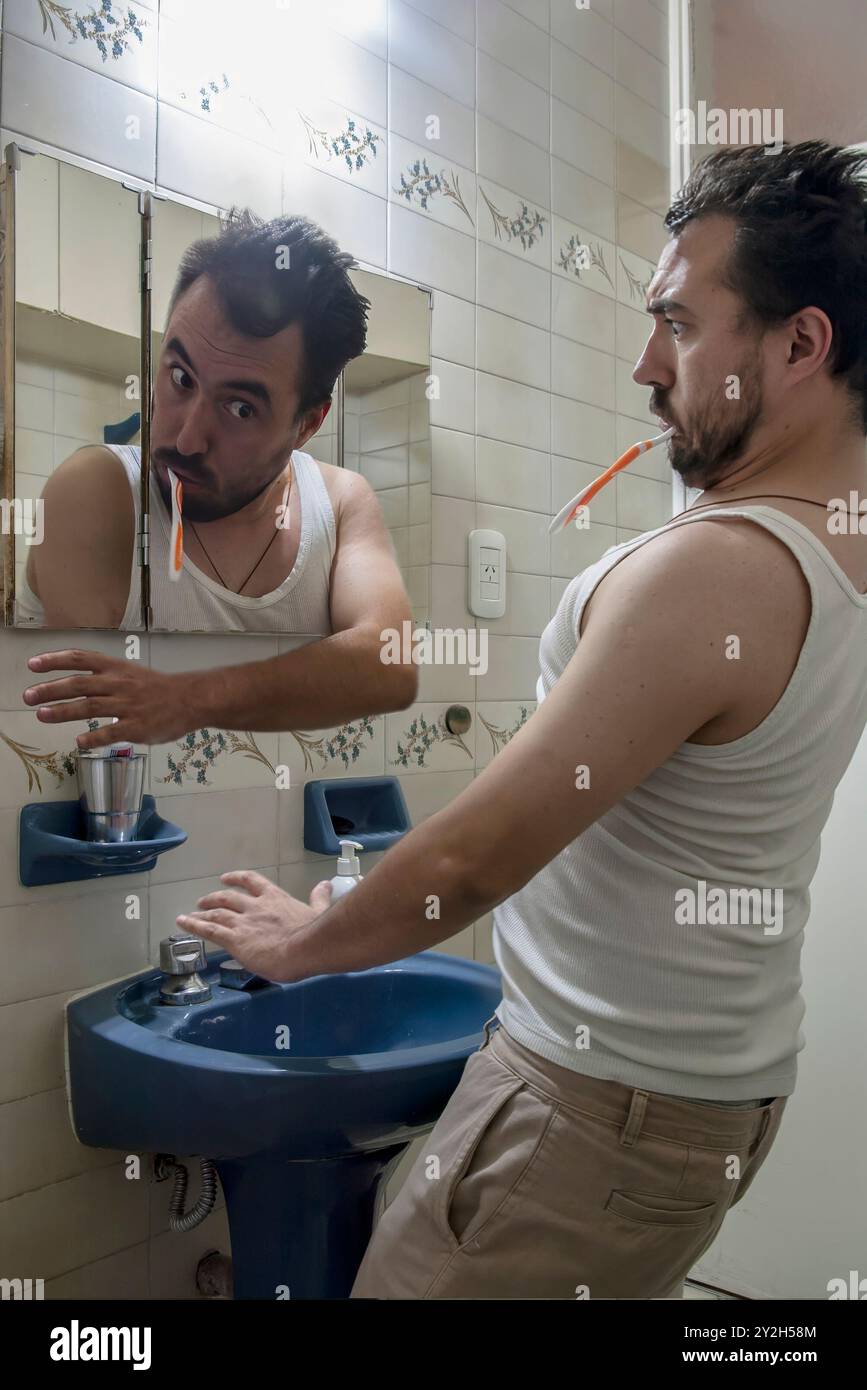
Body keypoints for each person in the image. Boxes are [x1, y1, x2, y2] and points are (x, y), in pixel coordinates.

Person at [180, 141, 867, 1298]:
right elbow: (628, 832)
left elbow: (481, 851)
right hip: (707, 1100)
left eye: (681, 325)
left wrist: (299, 945)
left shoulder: (715, 567)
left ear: (800, 344)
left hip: (594, 1114)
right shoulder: (840, 556)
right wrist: (353, 903)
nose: (647, 364)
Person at [20, 211, 416, 749]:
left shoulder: (342, 502)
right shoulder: (96, 489)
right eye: (180, 377)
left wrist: (188, 699)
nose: (186, 439)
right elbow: (88, 742)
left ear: (307, 424)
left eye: (240, 408)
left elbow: (390, 663)